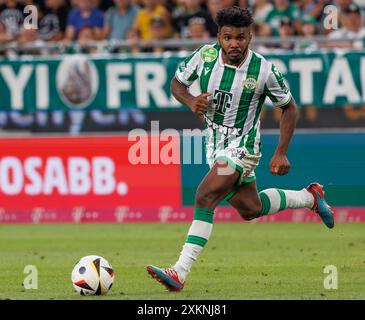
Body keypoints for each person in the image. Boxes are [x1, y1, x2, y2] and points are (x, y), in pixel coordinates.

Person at [146, 6, 334, 292]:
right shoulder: (204, 56)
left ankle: (179, 271)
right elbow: (176, 83)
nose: (234, 44)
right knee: (250, 208)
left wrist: (281, 152)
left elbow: (289, 107)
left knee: (205, 196)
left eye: (241, 37)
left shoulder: (264, 70)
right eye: (228, 37)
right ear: (219, 37)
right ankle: (309, 197)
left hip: (243, 146)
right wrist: (190, 100)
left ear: (251, 37)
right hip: (215, 145)